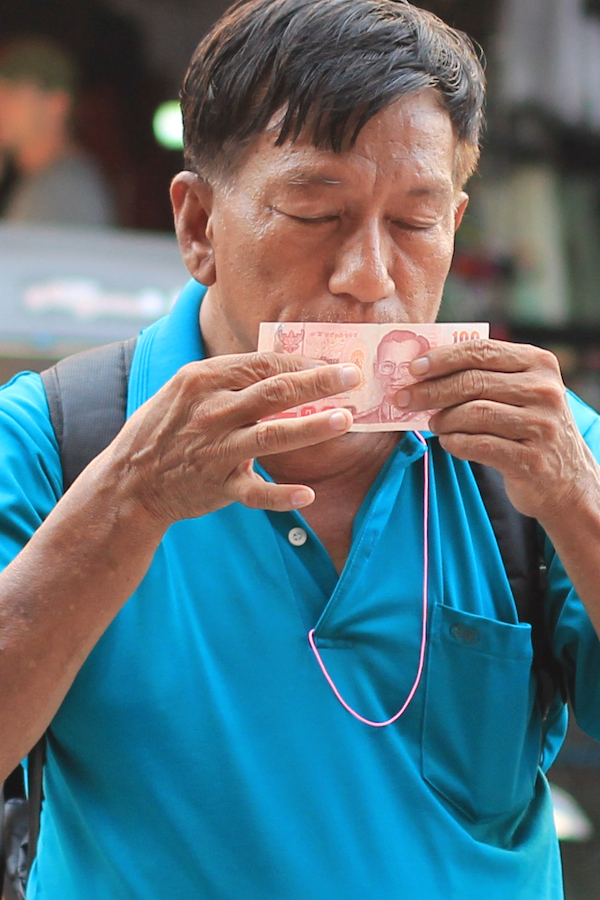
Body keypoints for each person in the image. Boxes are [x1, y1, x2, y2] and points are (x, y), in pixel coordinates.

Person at [0, 1, 599, 897]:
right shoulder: (58, 438)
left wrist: (575, 501)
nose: (368, 278)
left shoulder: (539, 447)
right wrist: (130, 500)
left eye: (414, 223)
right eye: (316, 212)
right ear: (199, 225)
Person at [0, 37, 115, 226]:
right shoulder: (43, 182)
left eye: (12, 94)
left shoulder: (64, 189)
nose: (1, 105)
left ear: (57, 105)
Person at [354, 329, 431, 423]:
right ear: (376, 369)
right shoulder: (359, 422)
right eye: (387, 366)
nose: (395, 376)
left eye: (405, 367)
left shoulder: (431, 421)